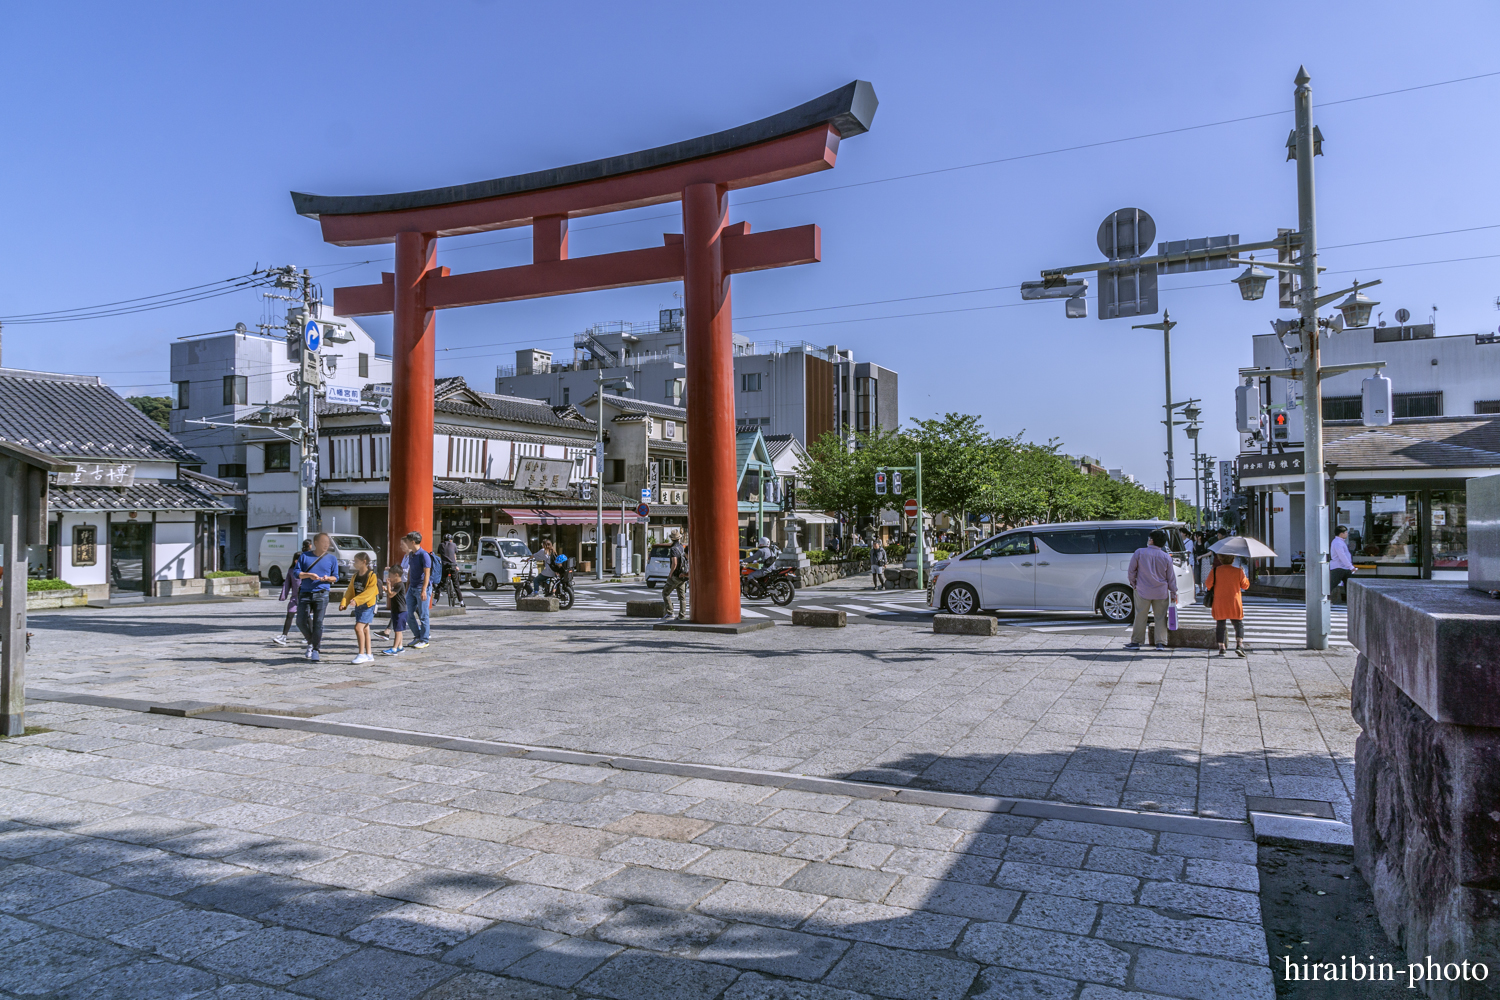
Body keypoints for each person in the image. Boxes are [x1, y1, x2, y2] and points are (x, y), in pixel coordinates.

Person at [1124, 528, 1178, 651]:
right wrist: (1174, 592)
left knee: (1140, 615)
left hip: (1142, 589)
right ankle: (1160, 642)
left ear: (1151, 540)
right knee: (1160, 617)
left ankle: (1136, 642)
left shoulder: (1139, 552)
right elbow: (1171, 577)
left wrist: (1134, 584)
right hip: (1161, 591)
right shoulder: (1166, 557)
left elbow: (1131, 571)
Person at [292, 533, 339, 661]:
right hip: (305, 593)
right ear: (316, 543)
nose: (326, 545)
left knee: (318, 622)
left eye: (327, 543)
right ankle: (311, 642)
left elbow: (336, 577)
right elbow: (296, 573)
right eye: (323, 542)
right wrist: (308, 575)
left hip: (322, 593)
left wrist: (328, 578)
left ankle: (315, 650)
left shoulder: (331, 559)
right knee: (300, 621)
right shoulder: (305, 556)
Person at [1207, 552, 1251, 657]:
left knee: (1220, 624)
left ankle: (1222, 648)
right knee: (1238, 623)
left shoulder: (1215, 571)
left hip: (1220, 601)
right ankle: (1239, 645)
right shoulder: (1239, 571)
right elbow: (1245, 586)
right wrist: (1243, 573)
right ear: (1233, 559)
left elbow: (1208, 585)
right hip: (1234, 601)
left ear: (1221, 559)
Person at [339, 552, 379, 664]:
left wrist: (356, 600)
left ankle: (361, 654)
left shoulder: (372, 575)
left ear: (364, 562)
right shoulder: (355, 576)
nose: (354, 563)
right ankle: (369, 654)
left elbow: (370, 592)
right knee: (365, 628)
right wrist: (344, 602)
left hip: (368, 605)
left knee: (358, 628)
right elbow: (350, 591)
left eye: (356, 561)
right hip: (358, 605)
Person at [272, 539, 312, 645]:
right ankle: (284, 636)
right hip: (294, 598)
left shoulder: (307, 571)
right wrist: (283, 596)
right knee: (289, 615)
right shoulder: (292, 571)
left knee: (307, 618)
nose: (297, 562)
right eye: (296, 560)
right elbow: (287, 584)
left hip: (304, 597)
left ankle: (311, 637)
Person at [401, 531, 433, 649]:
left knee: (423, 615)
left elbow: (427, 573)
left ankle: (424, 639)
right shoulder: (411, 555)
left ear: (413, 542)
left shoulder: (424, 555)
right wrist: (407, 585)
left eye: (408, 541)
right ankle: (417, 636)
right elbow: (410, 570)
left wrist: (424, 590)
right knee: (408, 614)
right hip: (412, 588)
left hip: (421, 588)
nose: (406, 543)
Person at [661, 529, 689, 620]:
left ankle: (670, 612)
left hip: (676, 575)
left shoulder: (673, 549)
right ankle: (682, 615)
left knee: (665, 593)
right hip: (683, 575)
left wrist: (670, 573)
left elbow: (674, 563)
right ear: (679, 538)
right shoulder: (682, 547)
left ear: (672, 539)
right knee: (682, 596)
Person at [381, 564, 407, 655]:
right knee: (398, 629)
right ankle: (400, 646)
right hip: (397, 610)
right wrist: (386, 589)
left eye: (390, 575)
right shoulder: (397, 584)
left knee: (398, 631)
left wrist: (388, 585)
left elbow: (391, 594)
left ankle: (394, 648)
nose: (389, 577)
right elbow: (390, 594)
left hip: (401, 610)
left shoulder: (399, 584)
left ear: (396, 575)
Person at [438, 533, 466, 608]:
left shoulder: (441, 545)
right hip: (453, 566)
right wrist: (456, 565)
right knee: (456, 585)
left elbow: (440, 554)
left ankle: (434, 602)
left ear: (443, 540)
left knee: (441, 584)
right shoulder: (453, 545)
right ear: (451, 540)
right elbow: (454, 556)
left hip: (445, 566)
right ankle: (461, 602)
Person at [1330, 525, 1355, 602]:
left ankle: (1350, 601)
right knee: (1331, 585)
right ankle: (1323, 598)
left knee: (1349, 586)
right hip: (1339, 567)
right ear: (1341, 534)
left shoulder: (1340, 542)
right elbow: (1342, 556)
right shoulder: (1338, 543)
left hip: (1344, 567)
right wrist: (1351, 567)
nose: (1347, 534)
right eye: (1346, 532)